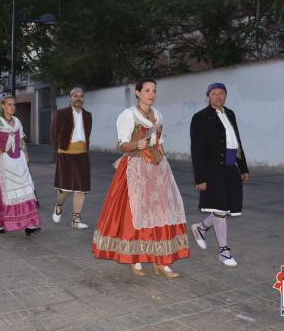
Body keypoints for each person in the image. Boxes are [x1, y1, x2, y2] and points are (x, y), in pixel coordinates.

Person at [92, 79, 189, 277]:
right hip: (135, 168)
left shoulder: (158, 114)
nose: (151, 94)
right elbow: (122, 145)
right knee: (134, 213)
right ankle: (135, 257)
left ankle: (162, 260)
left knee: (161, 211)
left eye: (154, 90)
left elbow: (159, 143)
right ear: (137, 92)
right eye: (146, 90)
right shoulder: (128, 115)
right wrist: (137, 145)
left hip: (157, 168)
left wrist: (162, 162)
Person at [189, 83, 249, 267]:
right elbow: (197, 150)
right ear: (208, 96)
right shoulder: (200, 117)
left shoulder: (230, 113)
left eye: (221, 93)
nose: (217, 96)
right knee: (221, 210)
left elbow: (236, 141)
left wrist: (243, 166)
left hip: (231, 167)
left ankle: (200, 228)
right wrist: (201, 178)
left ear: (225, 95)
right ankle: (224, 251)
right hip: (213, 169)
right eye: (213, 93)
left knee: (226, 207)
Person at [0, 95, 41, 235]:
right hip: (1, 162)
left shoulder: (17, 121)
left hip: (17, 162)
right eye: (9, 104)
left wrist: (23, 154)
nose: (12, 107)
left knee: (24, 191)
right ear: (3, 106)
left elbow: (21, 140)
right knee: (0, 194)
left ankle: (30, 224)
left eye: (14, 104)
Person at [51, 87, 92, 229]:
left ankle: (76, 219)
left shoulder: (88, 115)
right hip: (65, 153)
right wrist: (59, 150)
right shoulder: (61, 114)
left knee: (82, 188)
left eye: (81, 95)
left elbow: (87, 134)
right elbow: (54, 132)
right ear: (70, 98)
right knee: (66, 188)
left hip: (82, 153)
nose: (78, 98)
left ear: (83, 98)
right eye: (75, 95)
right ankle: (59, 204)